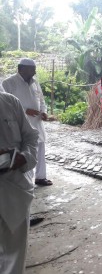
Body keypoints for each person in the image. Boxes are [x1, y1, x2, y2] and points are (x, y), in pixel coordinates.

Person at [0, 92, 39, 274]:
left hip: (15, 189)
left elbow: (30, 138)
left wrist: (24, 157)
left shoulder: (9, 101)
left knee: (15, 252)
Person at [2, 58, 53, 186]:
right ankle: (25, 180)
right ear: (21, 69)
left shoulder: (35, 83)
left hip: (37, 122)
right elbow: (6, 105)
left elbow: (41, 100)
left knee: (40, 148)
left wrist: (43, 111)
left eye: (34, 69)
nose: (34, 72)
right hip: (19, 124)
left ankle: (40, 177)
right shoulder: (9, 83)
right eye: (32, 69)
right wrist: (25, 111)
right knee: (23, 151)